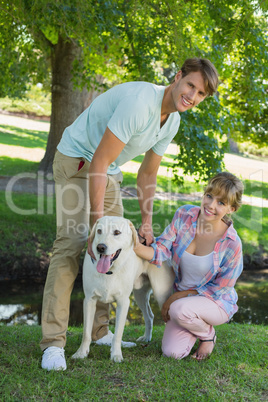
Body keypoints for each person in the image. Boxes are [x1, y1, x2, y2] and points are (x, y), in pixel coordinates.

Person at [40, 58, 219, 370]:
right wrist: (97, 226)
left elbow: (147, 174)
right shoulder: (140, 104)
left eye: (201, 93)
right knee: (71, 246)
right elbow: (96, 161)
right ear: (177, 77)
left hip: (106, 170)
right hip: (78, 160)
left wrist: (146, 221)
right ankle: (53, 343)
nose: (192, 95)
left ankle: (99, 332)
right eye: (191, 85)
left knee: (119, 247)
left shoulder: (172, 120)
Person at [134, 172, 244, 360]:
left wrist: (176, 297)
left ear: (231, 209)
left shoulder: (232, 243)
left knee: (179, 310)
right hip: (184, 303)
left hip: (215, 302)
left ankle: (208, 336)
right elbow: (160, 250)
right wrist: (134, 245)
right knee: (172, 352)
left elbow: (220, 288)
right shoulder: (185, 215)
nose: (210, 205)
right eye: (209, 196)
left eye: (221, 203)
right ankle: (194, 324)